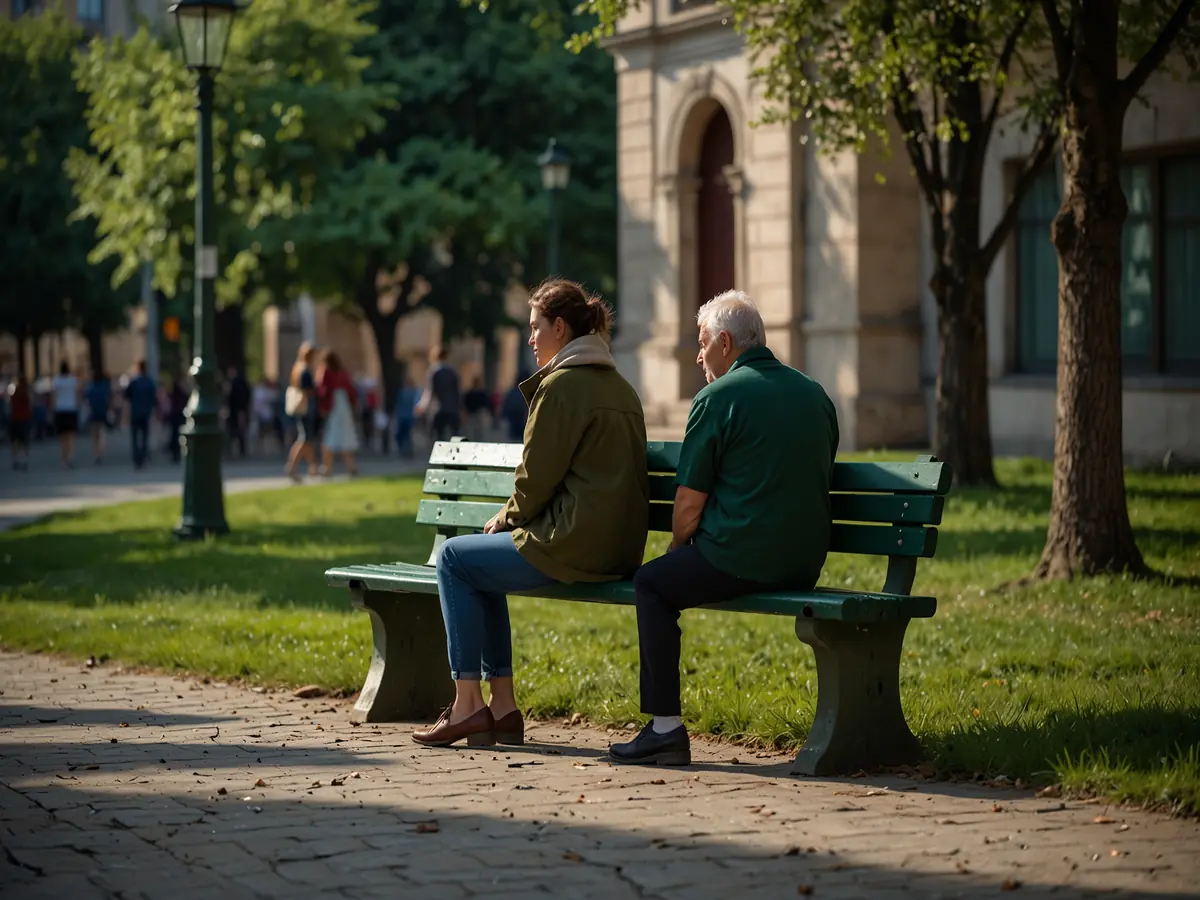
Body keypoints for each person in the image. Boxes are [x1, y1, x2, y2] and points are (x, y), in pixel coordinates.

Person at [412, 278, 649, 749]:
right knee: (479, 566)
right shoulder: (621, 387)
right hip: (619, 549)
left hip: (574, 545)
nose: (530, 338)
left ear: (560, 328)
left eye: (536, 327)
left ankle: (467, 705)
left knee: (456, 559)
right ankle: (502, 709)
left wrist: (506, 517)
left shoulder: (561, 385)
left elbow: (535, 478)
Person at [610, 291, 840, 767]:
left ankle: (665, 729)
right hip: (804, 562)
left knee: (652, 583)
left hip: (740, 559)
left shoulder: (717, 398)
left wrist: (677, 548)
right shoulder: (815, 394)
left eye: (702, 344)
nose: (698, 356)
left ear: (725, 343)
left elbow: (688, 506)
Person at [316, 350, 360, 476]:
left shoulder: (326, 371)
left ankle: (327, 468)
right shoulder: (342, 372)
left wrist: (322, 407)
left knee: (330, 437)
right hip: (344, 405)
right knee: (344, 436)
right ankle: (351, 466)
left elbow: (322, 389)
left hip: (333, 404)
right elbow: (351, 389)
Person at [283, 342, 320, 482]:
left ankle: (312, 467)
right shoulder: (304, 370)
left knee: (308, 439)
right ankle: (291, 466)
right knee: (304, 438)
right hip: (305, 406)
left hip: (300, 407)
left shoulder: (297, 368)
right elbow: (307, 389)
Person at [419, 347, 462, 443]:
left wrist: (422, 406)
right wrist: (461, 408)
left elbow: (430, 391)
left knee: (438, 438)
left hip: (438, 409)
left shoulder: (433, 371)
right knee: (455, 437)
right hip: (452, 409)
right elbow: (457, 392)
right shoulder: (453, 372)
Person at [125, 361, 157, 469]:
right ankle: (143, 456)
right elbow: (154, 399)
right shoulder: (150, 383)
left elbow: (127, 398)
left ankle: (136, 458)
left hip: (135, 412)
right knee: (145, 437)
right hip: (146, 413)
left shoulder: (134, 383)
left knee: (134, 437)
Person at [51, 362, 80, 469]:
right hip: (71, 409)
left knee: (62, 436)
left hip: (60, 409)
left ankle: (63, 458)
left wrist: (53, 408)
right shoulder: (73, 380)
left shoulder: (57, 381)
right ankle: (70, 457)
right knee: (71, 436)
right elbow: (77, 394)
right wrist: (77, 405)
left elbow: (54, 396)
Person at [84, 371, 112, 464]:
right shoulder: (105, 386)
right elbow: (108, 398)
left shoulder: (90, 387)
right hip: (103, 411)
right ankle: (101, 452)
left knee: (94, 434)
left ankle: (96, 453)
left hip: (93, 412)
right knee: (102, 433)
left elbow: (87, 400)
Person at [7, 373, 32, 471]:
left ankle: (16, 459)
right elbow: (30, 405)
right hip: (25, 419)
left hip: (15, 419)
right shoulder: (27, 392)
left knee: (15, 441)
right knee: (25, 442)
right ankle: (25, 460)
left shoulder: (14, 392)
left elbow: (10, 403)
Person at [225, 366, 251, 458]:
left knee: (238, 431)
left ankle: (239, 450)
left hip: (238, 410)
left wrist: (242, 411)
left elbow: (241, 398)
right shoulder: (233, 383)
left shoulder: (237, 383)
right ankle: (238, 450)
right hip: (235, 411)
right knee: (235, 431)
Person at [394, 376, 420, 459]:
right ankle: (409, 450)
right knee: (408, 434)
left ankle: (403, 449)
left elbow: (399, 404)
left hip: (402, 416)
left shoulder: (402, 392)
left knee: (401, 434)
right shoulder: (414, 392)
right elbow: (417, 404)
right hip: (410, 416)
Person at [462, 376, 492, 441]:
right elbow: (466, 403)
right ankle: (475, 440)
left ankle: (479, 440)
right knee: (473, 429)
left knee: (479, 429)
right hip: (472, 413)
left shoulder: (482, 393)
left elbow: (486, 403)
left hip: (479, 412)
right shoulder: (470, 393)